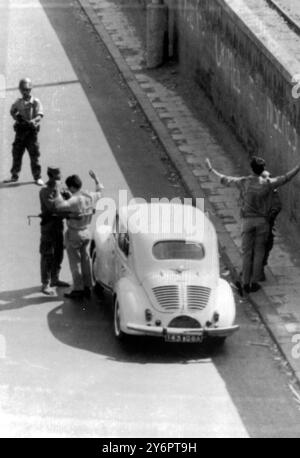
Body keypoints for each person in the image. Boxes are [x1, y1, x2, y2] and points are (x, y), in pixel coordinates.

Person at [205, 156, 300, 293]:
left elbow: (224, 180)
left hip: (248, 221)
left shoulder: (244, 182)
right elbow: (286, 178)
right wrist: (298, 167)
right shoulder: (268, 183)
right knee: (259, 252)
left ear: (252, 169)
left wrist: (210, 169)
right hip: (263, 222)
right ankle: (254, 283)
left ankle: (245, 283)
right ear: (263, 169)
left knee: (247, 253)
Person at [53, 170, 104, 299]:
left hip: (75, 233)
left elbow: (59, 206)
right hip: (87, 232)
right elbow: (99, 191)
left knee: (75, 262)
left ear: (72, 187)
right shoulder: (90, 196)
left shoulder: (74, 200)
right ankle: (88, 286)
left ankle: (78, 289)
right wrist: (95, 178)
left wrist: (58, 191)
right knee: (85, 260)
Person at [4, 78, 44, 186]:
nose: (25, 92)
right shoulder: (18, 102)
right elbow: (12, 111)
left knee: (34, 155)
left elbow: (40, 115)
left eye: (27, 89)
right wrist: (17, 118)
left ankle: (37, 177)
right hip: (20, 132)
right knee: (16, 153)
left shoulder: (35, 102)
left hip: (31, 133)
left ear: (30, 89)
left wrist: (34, 120)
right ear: (20, 90)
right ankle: (14, 175)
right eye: (23, 90)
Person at [39, 167, 70, 295]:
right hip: (49, 226)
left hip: (58, 225)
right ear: (51, 176)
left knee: (59, 253)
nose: (59, 179)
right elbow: (54, 208)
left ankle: (55, 278)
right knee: (47, 255)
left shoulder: (58, 187)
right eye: (57, 177)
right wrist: (67, 205)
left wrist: (68, 197)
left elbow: (65, 200)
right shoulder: (45, 191)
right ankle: (45, 283)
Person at [260, 171, 282, 281]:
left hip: (266, 228)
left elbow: (277, 206)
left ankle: (260, 270)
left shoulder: (273, 193)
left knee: (264, 248)